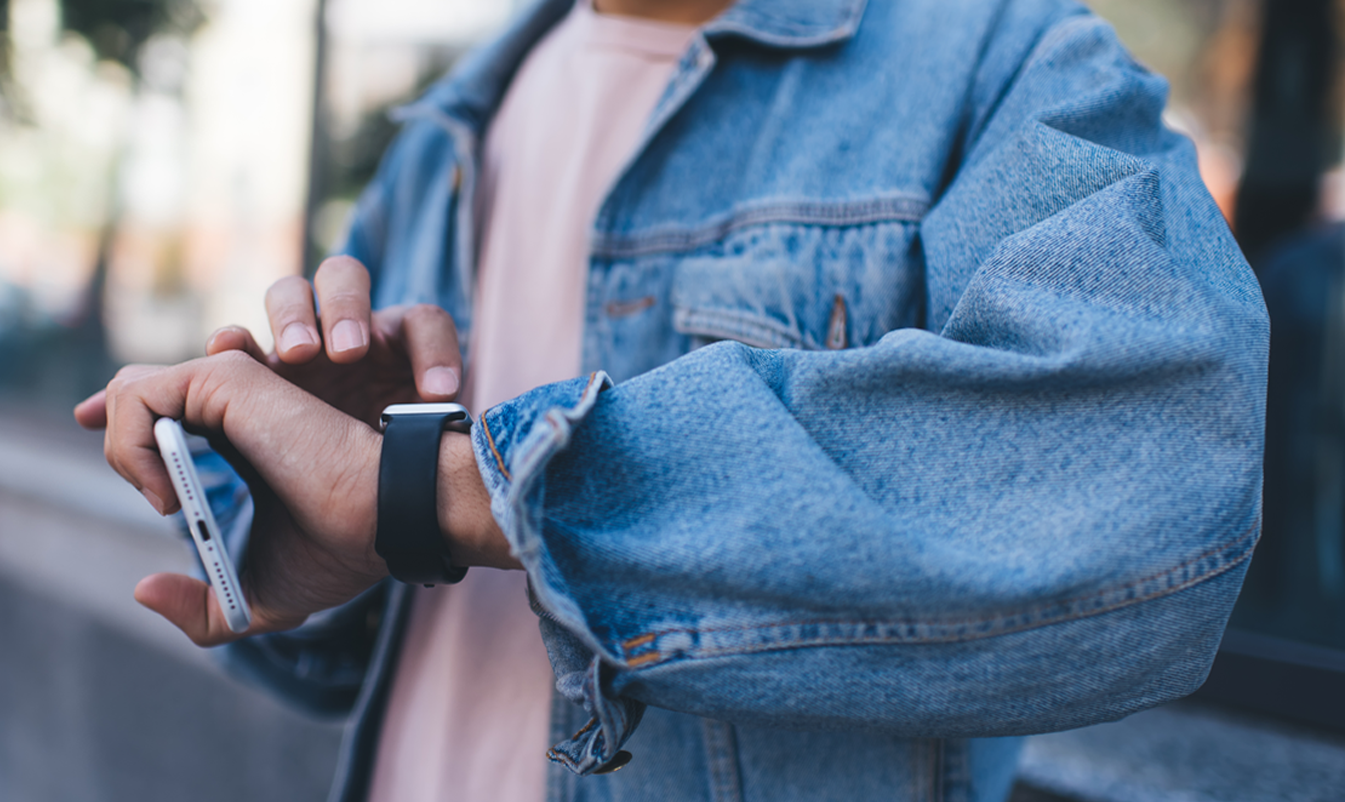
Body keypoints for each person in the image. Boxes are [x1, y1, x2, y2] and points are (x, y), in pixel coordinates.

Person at [76, 0, 1269, 800]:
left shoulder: (1004, 56)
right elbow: (344, 660)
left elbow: (1146, 478)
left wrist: (446, 490)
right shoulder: (459, 115)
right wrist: (340, 535)